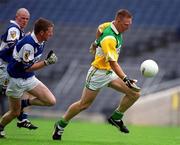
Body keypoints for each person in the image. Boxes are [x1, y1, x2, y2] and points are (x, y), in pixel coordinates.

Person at [52, 9, 141, 140]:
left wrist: (95, 43)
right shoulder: (110, 39)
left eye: (129, 24)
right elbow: (113, 63)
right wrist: (125, 78)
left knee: (134, 93)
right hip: (98, 73)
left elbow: (99, 29)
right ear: (117, 21)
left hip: (109, 73)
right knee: (84, 105)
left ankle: (116, 118)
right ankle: (60, 125)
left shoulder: (107, 25)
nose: (128, 27)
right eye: (125, 24)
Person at [0, 17, 57, 138]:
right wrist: (47, 62)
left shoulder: (40, 40)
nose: (51, 34)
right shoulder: (28, 45)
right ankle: (0, 127)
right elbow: (27, 67)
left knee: (51, 101)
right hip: (16, 80)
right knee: (14, 112)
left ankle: (25, 103)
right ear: (41, 32)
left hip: (29, 78)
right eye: (49, 31)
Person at [0, 8, 38, 130]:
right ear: (16, 17)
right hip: (4, 66)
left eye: (27, 19)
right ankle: (20, 118)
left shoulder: (19, 30)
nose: (25, 21)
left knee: (24, 87)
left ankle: (22, 118)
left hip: (10, 67)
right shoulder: (13, 29)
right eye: (22, 18)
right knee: (3, 94)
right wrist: (24, 39)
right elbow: (12, 45)